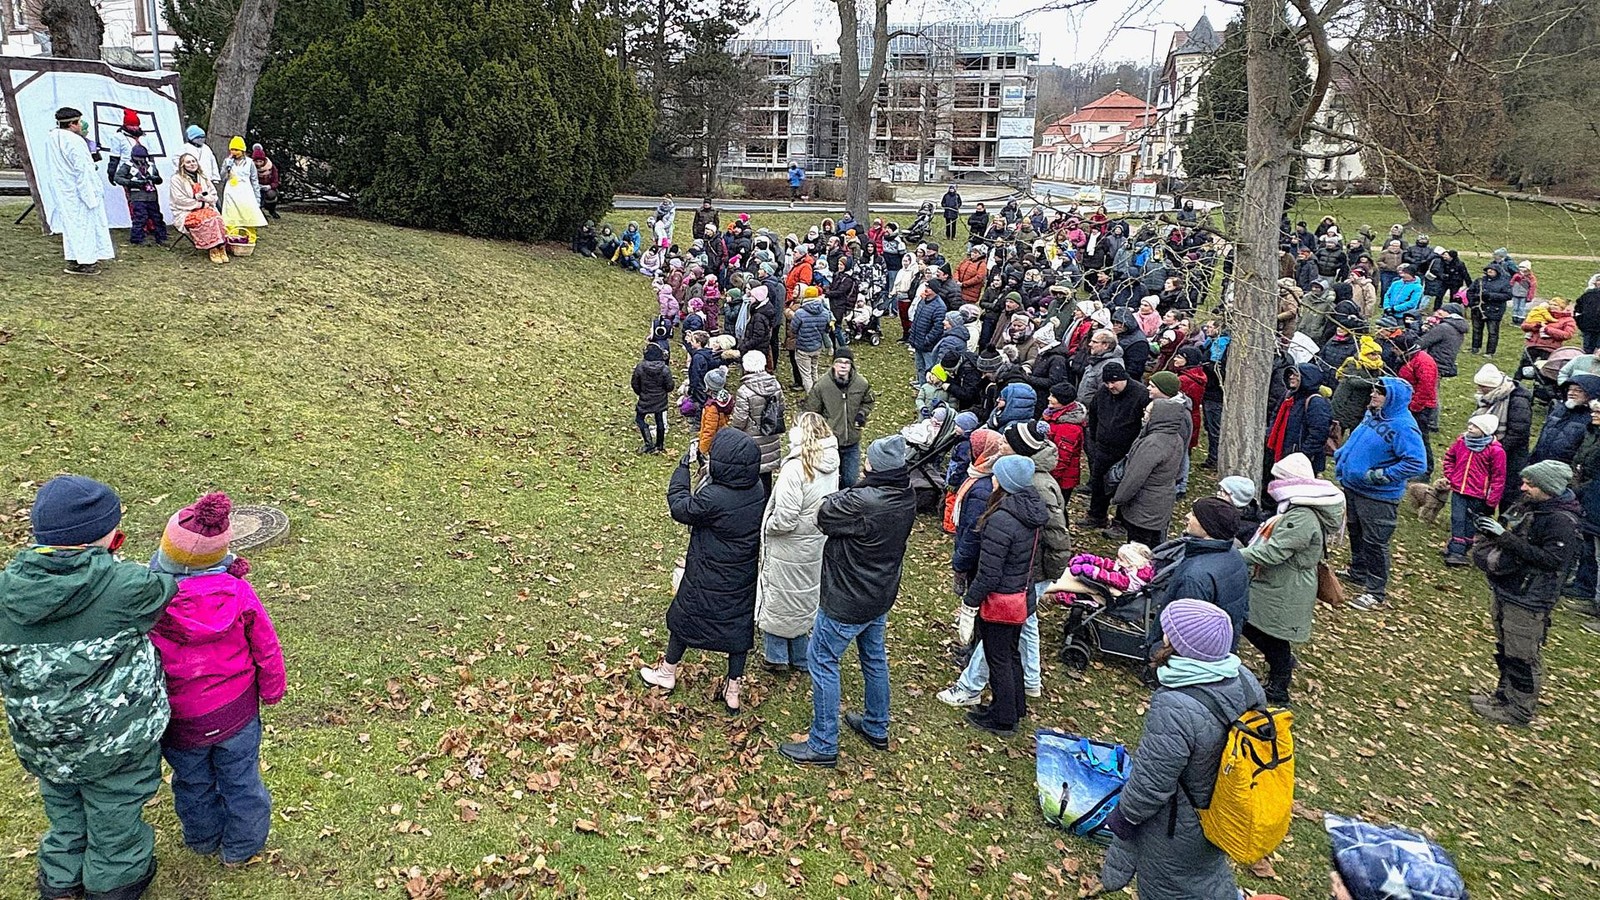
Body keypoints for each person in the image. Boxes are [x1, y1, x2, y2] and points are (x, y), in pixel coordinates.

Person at [0, 476, 179, 900]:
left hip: (44, 739)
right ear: (108, 535)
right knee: (115, 812)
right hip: (115, 740)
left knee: (63, 806)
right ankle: (113, 884)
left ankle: (60, 881)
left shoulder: (6, 590)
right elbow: (164, 588)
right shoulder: (127, 587)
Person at [149, 492, 284, 867]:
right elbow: (265, 643)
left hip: (181, 719)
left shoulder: (149, 600)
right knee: (241, 780)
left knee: (192, 781)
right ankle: (242, 845)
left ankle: (202, 837)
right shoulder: (239, 591)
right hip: (236, 712)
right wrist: (272, 687)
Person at [1099, 599, 1265, 900]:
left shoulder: (1175, 705)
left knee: (1170, 889)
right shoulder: (1243, 679)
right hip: (1222, 812)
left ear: (1182, 645)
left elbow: (1151, 785)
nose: (1163, 632)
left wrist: (1123, 819)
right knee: (1206, 879)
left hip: (1176, 827)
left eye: (1169, 630)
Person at [780, 436, 918, 767]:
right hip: (880, 593)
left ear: (877, 469)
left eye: (869, 462)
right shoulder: (906, 494)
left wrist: (857, 487)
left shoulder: (862, 502)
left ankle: (823, 743)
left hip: (848, 597)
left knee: (823, 659)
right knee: (873, 657)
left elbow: (825, 513)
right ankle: (876, 724)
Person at [640, 430, 766, 713]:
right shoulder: (757, 488)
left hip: (708, 570)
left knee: (686, 615)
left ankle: (667, 672)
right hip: (741, 572)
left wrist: (682, 469)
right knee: (737, 625)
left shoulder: (714, 497)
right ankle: (733, 687)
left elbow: (681, 507)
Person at [1470, 461, 1581, 727]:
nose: (1523, 487)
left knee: (1522, 655)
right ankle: (1503, 696)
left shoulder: (1562, 522)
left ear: (1549, 488)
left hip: (1530, 598)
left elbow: (1551, 559)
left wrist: (1504, 538)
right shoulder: (1532, 508)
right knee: (1506, 647)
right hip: (1510, 589)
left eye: (1531, 484)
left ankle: (1519, 710)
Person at [1238, 453, 1346, 704]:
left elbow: (1275, 551)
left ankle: (1279, 685)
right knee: (1263, 627)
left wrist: (1237, 555)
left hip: (1286, 585)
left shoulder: (1302, 516)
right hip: (1283, 582)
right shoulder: (1299, 509)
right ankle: (1281, 667)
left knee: (1267, 631)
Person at [952, 454, 1046, 737]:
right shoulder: (1030, 510)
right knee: (1011, 653)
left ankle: (1003, 718)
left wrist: (970, 603)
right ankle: (1015, 705)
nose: (992, 478)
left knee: (998, 658)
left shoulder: (1002, 520)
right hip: (1021, 595)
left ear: (1004, 483)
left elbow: (989, 573)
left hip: (1001, 600)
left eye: (996, 475)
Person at [755, 412, 840, 675]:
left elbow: (786, 518)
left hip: (788, 545)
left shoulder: (796, 468)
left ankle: (776, 655)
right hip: (815, 540)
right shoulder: (831, 464)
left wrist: (767, 526)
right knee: (803, 595)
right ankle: (801, 656)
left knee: (779, 595)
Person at [1334, 377, 1426, 610]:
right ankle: (1358, 571)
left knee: (1375, 541)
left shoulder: (1404, 426)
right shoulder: (1372, 414)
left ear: (1393, 398)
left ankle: (1375, 591)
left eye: (1380, 393)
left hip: (1379, 495)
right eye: (1374, 390)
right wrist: (1343, 454)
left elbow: (1416, 462)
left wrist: (1381, 475)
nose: (1374, 395)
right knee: (1355, 531)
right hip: (1354, 486)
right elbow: (1358, 439)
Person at [1111, 376, 1191, 547]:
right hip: (1161, 502)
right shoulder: (1174, 437)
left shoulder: (1154, 444)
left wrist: (1118, 498)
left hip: (1144, 507)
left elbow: (1135, 476)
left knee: (1139, 551)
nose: (1144, 417)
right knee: (1154, 545)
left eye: (1147, 414)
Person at [45, 107, 115, 276]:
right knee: (84, 226)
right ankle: (86, 261)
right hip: (78, 190)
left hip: (65, 189)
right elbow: (83, 169)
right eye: (78, 122)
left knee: (72, 226)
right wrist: (90, 194)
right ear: (72, 124)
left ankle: (74, 258)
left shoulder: (52, 137)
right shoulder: (75, 141)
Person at [1081, 362, 1149, 530]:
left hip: (1127, 451)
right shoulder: (1102, 393)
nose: (1111, 386)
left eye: (1114, 382)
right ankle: (1097, 515)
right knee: (1098, 483)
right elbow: (1094, 414)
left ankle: (1120, 521)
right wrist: (1095, 437)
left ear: (1123, 378)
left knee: (1124, 486)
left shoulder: (1140, 394)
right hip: (1103, 447)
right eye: (1107, 382)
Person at [800, 348, 875, 487]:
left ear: (851, 365)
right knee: (828, 482)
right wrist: (821, 430)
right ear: (833, 364)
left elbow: (868, 401)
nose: (843, 365)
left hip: (852, 441)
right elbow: (811, 412)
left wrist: (862, 413)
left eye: (847, 362)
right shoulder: (822, 385)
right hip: (829, 443)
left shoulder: (861, 383)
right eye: (839, 362)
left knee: (850, 481)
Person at [1442, 414, 1507, 566]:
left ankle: (1463, 548)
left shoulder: (1496, 451)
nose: (1470, 428)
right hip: (1459, 489)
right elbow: (1449, 458)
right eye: (1470, 424)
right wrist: (1452, 476)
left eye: (1475, 426)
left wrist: (1492, 501)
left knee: (1470, 522)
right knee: (1457, 518)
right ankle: (1456, 549)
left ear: (1485, 431)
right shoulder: (1461, 442)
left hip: (1478, 494)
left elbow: (1498, 477)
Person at [728, 350, 784, 493]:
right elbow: (781, 408)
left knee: (752, 475)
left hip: (751, 438)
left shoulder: (744, 391)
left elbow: (740, 420)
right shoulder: (775, 385)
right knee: (767, 476)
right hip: (770, 434)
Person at [170, 152, 230, 264]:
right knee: (206, 220)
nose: (192, 164)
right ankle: (212, 249)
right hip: (186, 211)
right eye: (188, 162)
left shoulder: (203, 177)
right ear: (182, 165)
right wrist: (200, 204)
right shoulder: (176, 179)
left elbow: (213, 194)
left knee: (217, 218)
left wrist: (206, 199)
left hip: (206, 207)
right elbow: (179, 200)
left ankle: (221, 247)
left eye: (194, 161)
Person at [1396, 334, 1440, 477]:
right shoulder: (1409, 358)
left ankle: (1426, 470)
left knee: (1420, 437)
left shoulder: (1423, 362)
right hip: (1410, 403)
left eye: (1395, 348)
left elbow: (1426, 389)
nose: (1393, 350)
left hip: (1421, 406)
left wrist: (1414, 407)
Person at [114, 145, 166, 247]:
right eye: (139, 157)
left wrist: (154, 178)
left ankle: (161, 236)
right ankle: (137, 238)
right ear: (133, 156)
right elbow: (117, 178)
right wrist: (132, 183)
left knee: (157, 217)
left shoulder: (151, 165)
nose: (141, 160)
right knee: (140, 217)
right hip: (137, 196)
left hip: (152, 196)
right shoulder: (127, 165)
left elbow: (159, 180)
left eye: (143, 157)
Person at [219, 136, 267, 244]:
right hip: (231, 192)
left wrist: (257, 198)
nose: (234, 152)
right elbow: (222, 177)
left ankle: (250, 238)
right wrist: (227, 167)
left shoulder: (250, 163)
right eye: (232, 149)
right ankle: (232, 238)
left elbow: (254, 181)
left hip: (246, 192)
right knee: (231, 215)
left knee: (248, 214)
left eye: (236, 150)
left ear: (242, 150)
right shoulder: (227, 161)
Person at [631, 343, 675, 454]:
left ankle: (648, 443)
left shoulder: (640, 367)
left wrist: (641, 393)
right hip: (660, 399)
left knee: (639, 419)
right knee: (659, 420)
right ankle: (659, 445)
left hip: (645, 398)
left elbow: (635, 384)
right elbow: (670, 386)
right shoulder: (665, 369)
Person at [184, 124, 221, 189]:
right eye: (198, 137)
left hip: (207, 178)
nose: (201, 139)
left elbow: (213, 162)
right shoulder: (185, 148)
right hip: (191, 180)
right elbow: (177, 163)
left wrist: (215, 177)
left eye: (203, 137)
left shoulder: (206, 148)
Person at [251, 144, 281, 219]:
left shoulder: (271, 167)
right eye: (256, 161)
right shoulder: (250, 167)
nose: (258, 164)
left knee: (271, 194)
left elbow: (276, 181)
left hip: (268, 188)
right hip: (255, 188)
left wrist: (269, 186)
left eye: (260, 161)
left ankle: (271, 210)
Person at [1574, 273, 1600, 354]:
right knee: (1587, 350)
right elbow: (1578, 310)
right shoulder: (1587, 295)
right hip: (1588, 328)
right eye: (1598, 280)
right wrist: (1580, 322)